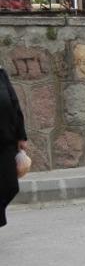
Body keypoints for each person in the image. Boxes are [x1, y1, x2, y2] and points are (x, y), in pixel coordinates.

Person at [0, 66, 27, 228]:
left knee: (11, 186)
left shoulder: (2, 74)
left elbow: (14, 103)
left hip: (6, 141)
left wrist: (21, 135)